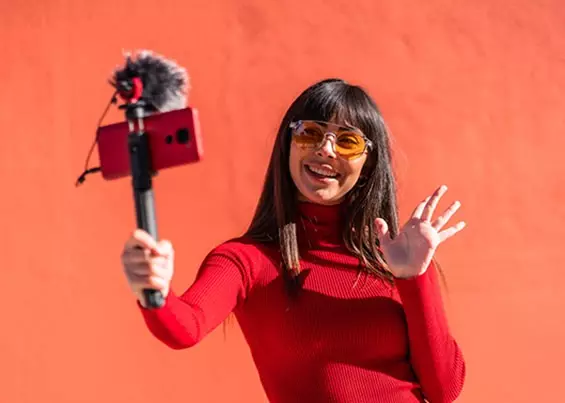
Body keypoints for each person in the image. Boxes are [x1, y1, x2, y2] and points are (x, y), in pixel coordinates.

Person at [121, 78, 466, 403]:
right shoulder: (246, 261)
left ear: (368, 164)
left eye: (347, 141)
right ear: (288, 145)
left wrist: (415, 278)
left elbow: (443, 389)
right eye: (310, 133)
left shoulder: (395, 258)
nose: (326, 150)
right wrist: (154, 291)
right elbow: (185, 327)